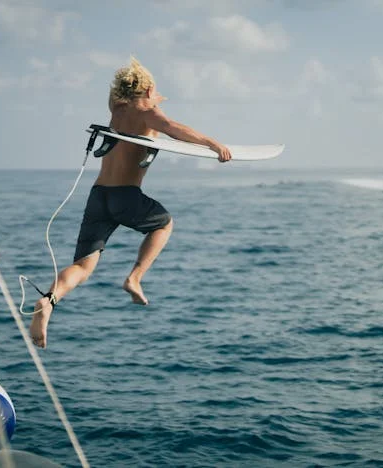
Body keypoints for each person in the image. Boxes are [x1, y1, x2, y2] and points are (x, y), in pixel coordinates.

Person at [29, 58, 232, 349]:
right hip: (126, 195)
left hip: (99, 195)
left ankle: (48, 300)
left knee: (83, 267)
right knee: (164, 224)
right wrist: (214, 145)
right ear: (148, 89)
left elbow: (124, 97)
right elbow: (175, 128)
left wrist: (149, 96)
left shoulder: (117, 109)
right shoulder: (149, 115)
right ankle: (134, 278)